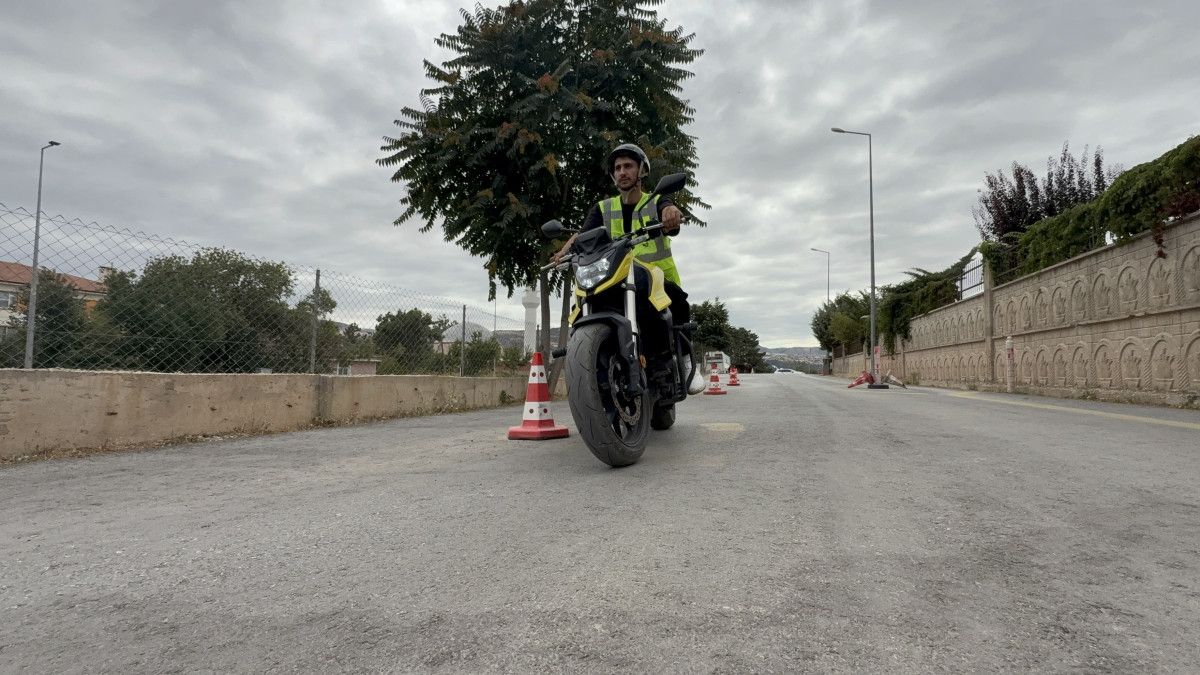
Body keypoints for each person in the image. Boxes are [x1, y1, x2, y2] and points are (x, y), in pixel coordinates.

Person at [552, 143, 704, 394]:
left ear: (641, 171)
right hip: (615, 278)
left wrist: (671, 213)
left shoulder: (654, 200)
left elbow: (668, 208)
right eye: (617, 168)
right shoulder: (604, 208)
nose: (622, 172)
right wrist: (564, 252)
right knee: (580, 308)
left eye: (628, 166)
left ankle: (686, 361)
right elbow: (581, 236)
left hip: (654, 278)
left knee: (678, 304)